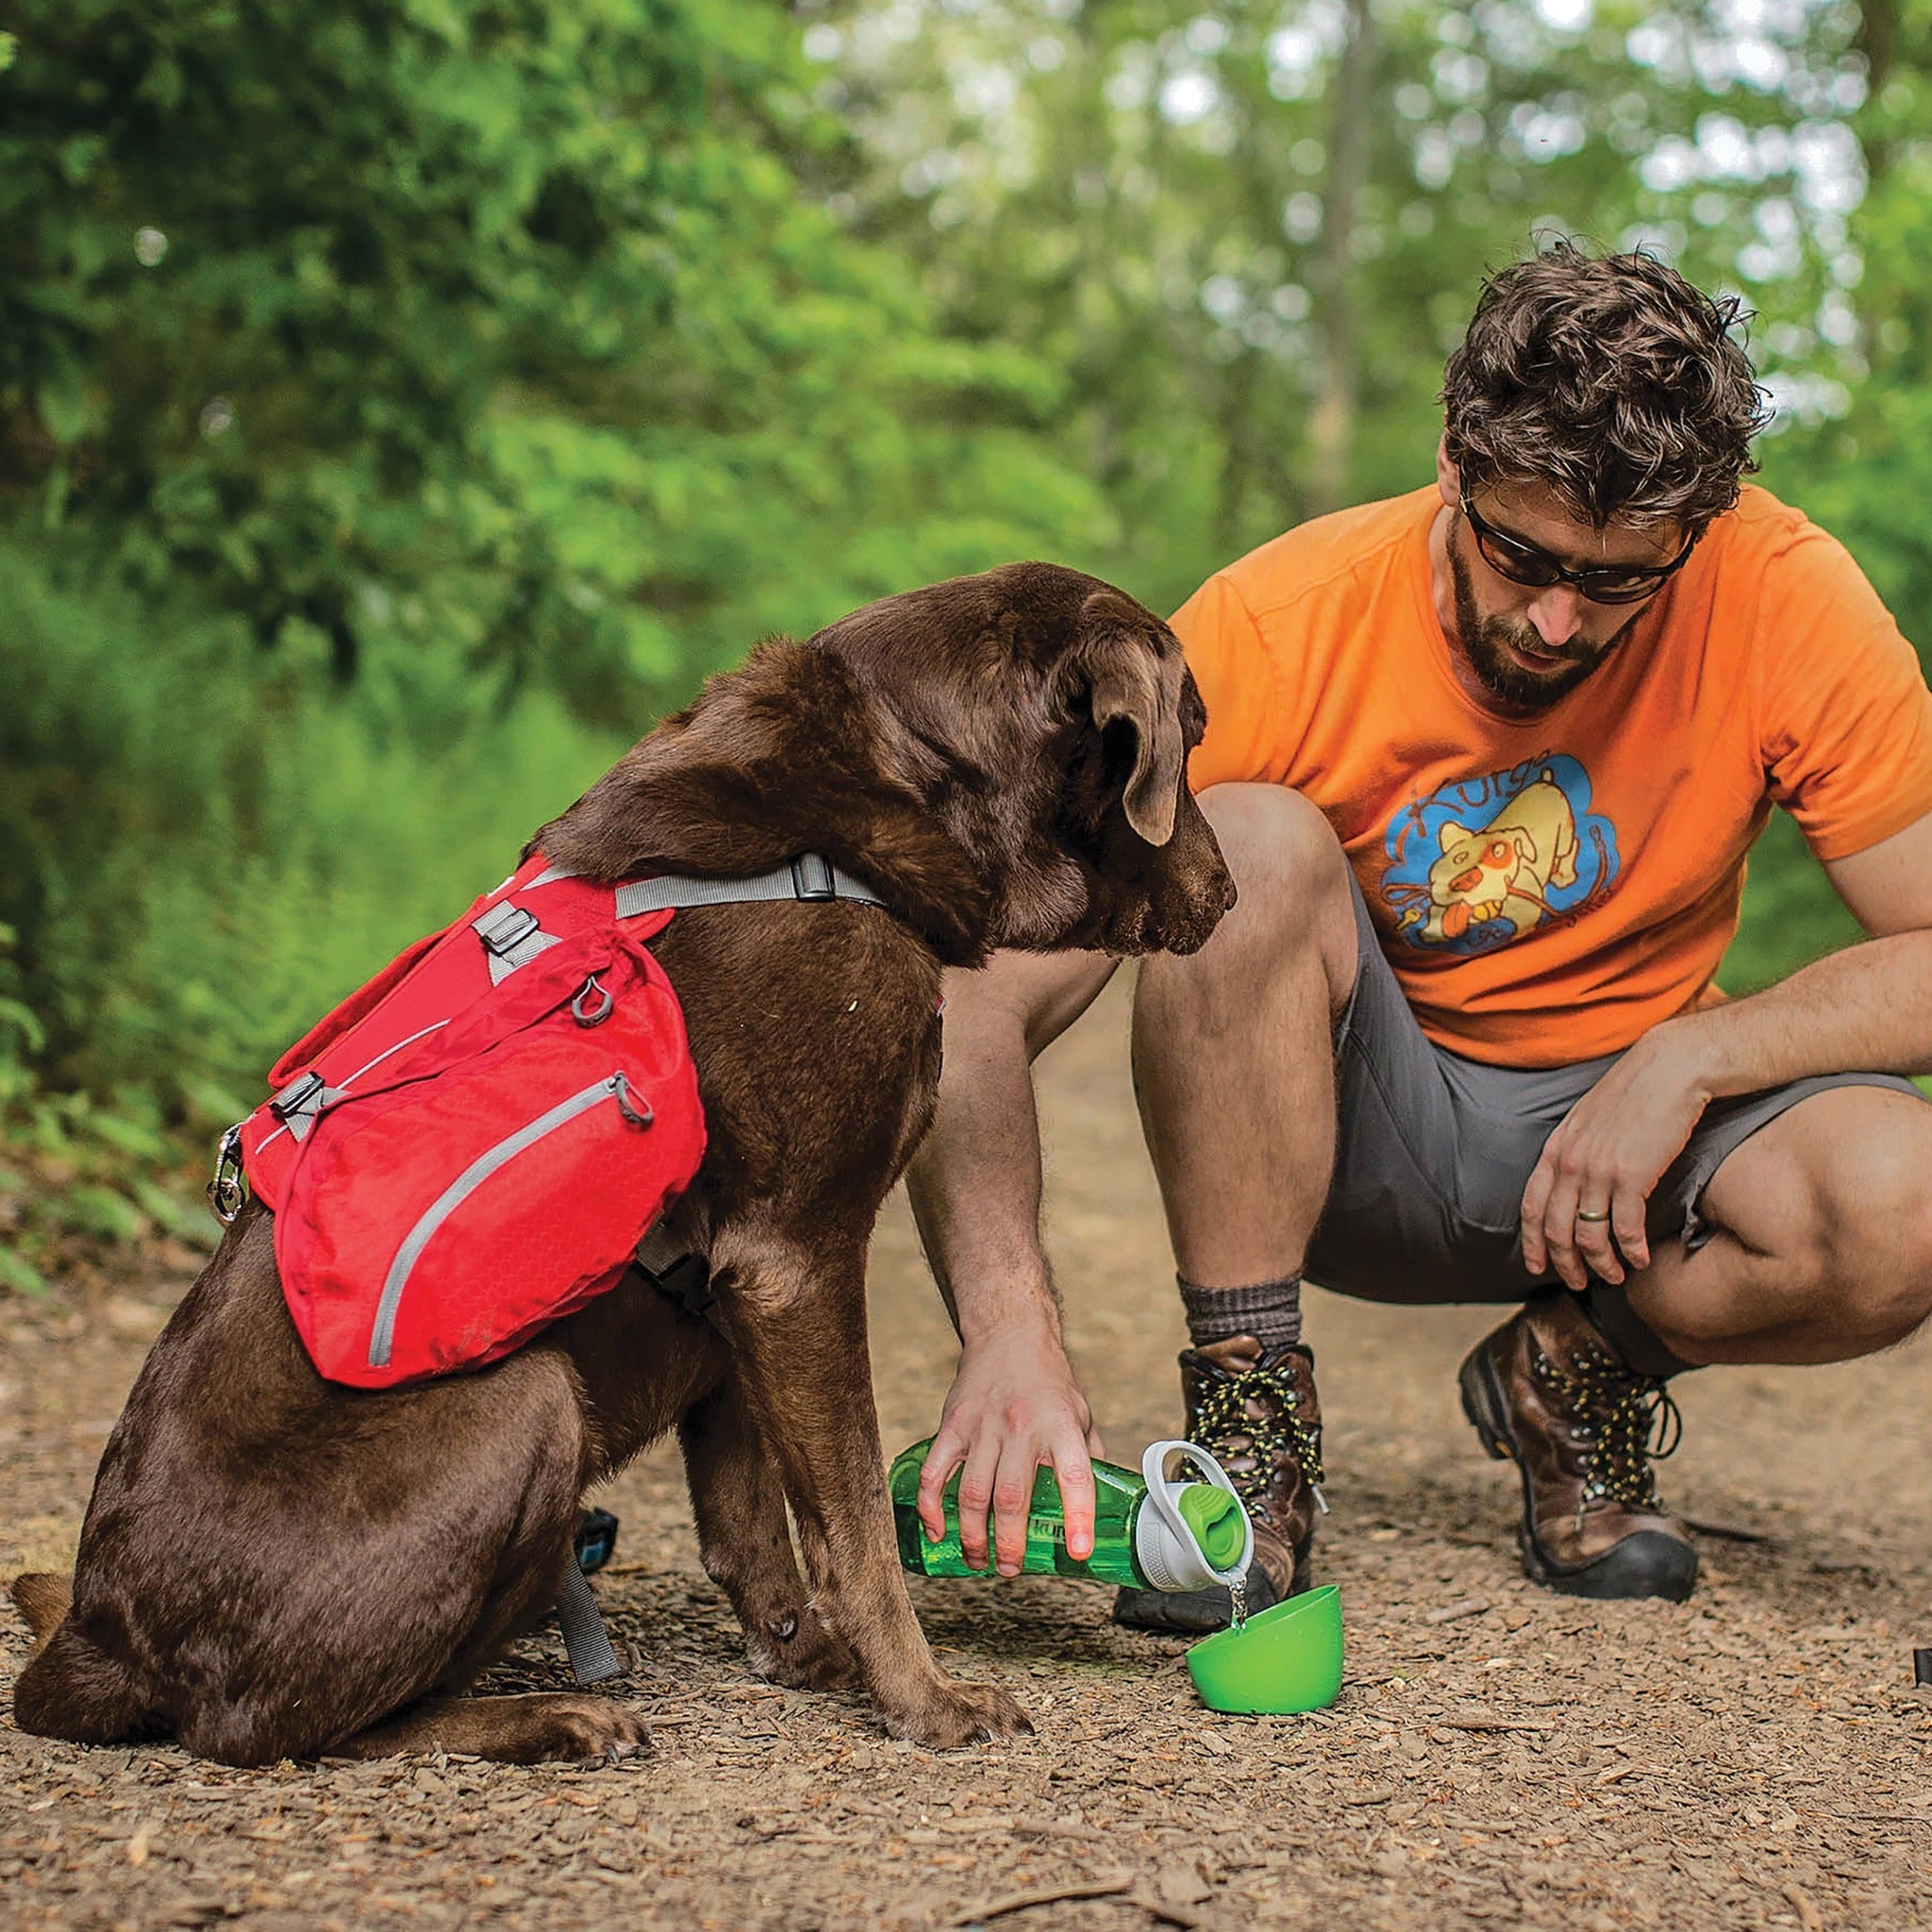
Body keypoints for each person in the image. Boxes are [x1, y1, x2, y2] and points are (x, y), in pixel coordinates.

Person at [904, 242, 1932, 1630]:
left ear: (1703, 524)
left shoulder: (1785, 594)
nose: (1560, 621)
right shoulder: (1276, 627)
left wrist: (1694, 1057)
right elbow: (973, 991)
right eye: (1523, 556)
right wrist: (1009, 1329)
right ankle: (1255, 1441)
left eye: (1623, 580)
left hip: (1630, 1155)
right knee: (1250, 840)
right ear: (1454, 458)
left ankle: (1572, 1373)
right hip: (1361, 1139)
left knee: (1905, 1199)